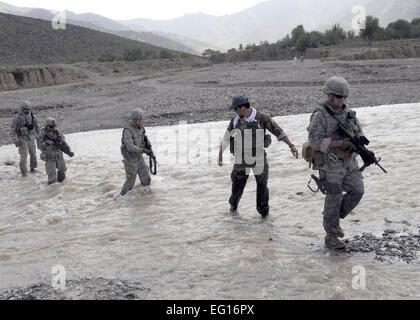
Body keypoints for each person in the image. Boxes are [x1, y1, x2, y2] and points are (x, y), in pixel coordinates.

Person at [307, 76, 365, 249]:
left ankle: (332, 219)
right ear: (329, 95)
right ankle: (331, 235)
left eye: (344, 97)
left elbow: (359, 132)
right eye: (339, 97)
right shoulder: (320, 115)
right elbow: (315, 141)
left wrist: (359, 144)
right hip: (330, 164)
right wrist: (339, 143)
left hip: (349, 163)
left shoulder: (349, 113)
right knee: (334, 197)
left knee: (358, 191)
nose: (342, 100)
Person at [218, 95, 299, 219]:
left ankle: (264, 215)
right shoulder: (235, 120)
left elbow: (279, 132)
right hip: (241, 158)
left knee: (262, 184)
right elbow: (226, 138)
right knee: (237, 184)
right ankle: (233, 208)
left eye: (236, 109)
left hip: (259, 158)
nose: (235, 111)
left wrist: (291, 146)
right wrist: (220, 154)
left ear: (243, 107)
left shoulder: (262, 118)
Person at [120, 108, 154, 196]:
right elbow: (130, 147)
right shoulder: (127, 130)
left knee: (146, 178)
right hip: (130, 160)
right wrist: (143, 150)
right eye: (140, 120)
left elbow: (145, 139)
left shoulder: (141, 128)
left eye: (142, 119)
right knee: (130, 181)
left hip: (139, 158)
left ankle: (146, 196)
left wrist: (150, 149)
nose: (141, 121)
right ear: (134, 120)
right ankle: (121, 198)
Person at [36, 117, 71, 185]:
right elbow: (39, 146)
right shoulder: (42, 134)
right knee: (52, 177)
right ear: (47, 126)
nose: (52, 128)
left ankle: (60, 189)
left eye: (53, 126)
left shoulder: (57, 132)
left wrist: (60, 141)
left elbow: (63, 139)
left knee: (62, 174)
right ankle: (50, 191)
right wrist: (46, 143)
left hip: (58, 155)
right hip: (49, 157)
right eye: (51, 127)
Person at [9, 101, 39, 176]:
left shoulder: (33, 116)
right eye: (25, 109)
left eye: (28, 109)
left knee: (33, 154)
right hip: (22, 138)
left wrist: (39, 136)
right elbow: (12, 129)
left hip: (31, 137)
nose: (27, 111)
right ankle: (24, 173)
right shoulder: (17, 117)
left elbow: (37, 126)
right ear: (22, 109)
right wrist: (14, 139)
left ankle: (33, 168)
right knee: (23, 156)